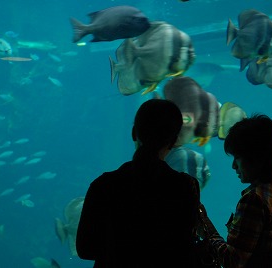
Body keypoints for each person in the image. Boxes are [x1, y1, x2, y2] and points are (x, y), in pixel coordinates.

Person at [76, 99, 201, 268]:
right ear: (173, 141)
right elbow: (185, 249)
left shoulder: (103, 185)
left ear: (134, 133)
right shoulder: (185, 187)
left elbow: (85, 249)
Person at [198, 114, 272, 267]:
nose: (234, 166)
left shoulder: (254, 200)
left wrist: (205, 226)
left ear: (256, 157)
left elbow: (233, 261)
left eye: (238, 157)